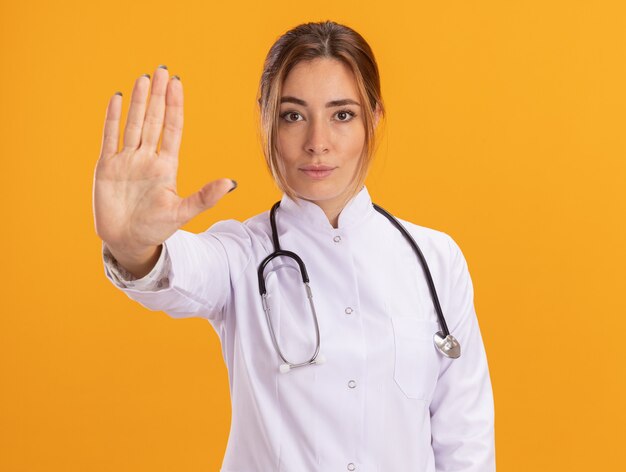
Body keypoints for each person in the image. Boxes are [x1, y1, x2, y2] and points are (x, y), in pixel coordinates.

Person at [93, 20, 495, 472]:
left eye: (342, 114)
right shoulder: (241, 253)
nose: (317, 144)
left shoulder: (436, 261)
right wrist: (133, 244)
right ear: (266, 117)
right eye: (293, 115)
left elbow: (466, 441)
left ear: (374, 118)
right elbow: (174, 269)